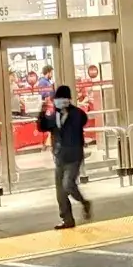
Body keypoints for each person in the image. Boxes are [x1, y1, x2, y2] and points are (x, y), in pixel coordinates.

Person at [37, 84, 92, 230]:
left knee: (68, 184)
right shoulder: (53, 116)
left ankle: (84, 202)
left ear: (68, 100)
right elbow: (42, 127)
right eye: (57, 99)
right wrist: (41, 113)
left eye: (62, 99)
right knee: (60, 191)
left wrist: (69, 111)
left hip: (74, 156)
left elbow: (83, 120)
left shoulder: (77, 114)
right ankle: (67, 219)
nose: (59, 101)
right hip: (60, 156)